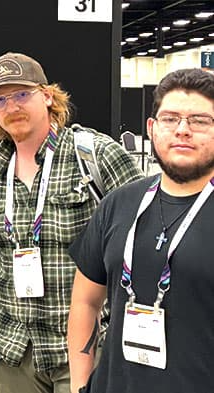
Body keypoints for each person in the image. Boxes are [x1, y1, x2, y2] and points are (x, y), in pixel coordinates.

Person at [0, 52, 142, 393]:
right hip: (12, 350)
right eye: (0, 99)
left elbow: (144, 234)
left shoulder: (95, 156)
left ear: (47, 96)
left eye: (22, 94)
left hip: (83, 349)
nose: (12, 106)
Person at [67, 68, 214, 393]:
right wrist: (80, 385)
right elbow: (85, 302)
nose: (183, 130)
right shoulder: (119, 204)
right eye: (170, 118)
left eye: (200, 121)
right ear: (152, 128)